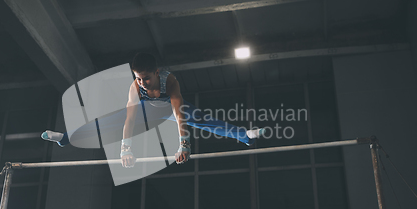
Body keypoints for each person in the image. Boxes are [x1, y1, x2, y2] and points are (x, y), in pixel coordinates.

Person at [42, 53, 264, 167]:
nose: (142, 83)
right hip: (145, 111)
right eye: (138, 78)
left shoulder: (171, 82)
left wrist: (184, 145)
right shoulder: (136, 89)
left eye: (146, 78)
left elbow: (179, 116)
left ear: (157, 73)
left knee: (204, 120)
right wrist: (125, 150)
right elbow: (128, 121)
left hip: (170, 109)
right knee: (106, 122)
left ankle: (244, 136)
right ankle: (65, 138)